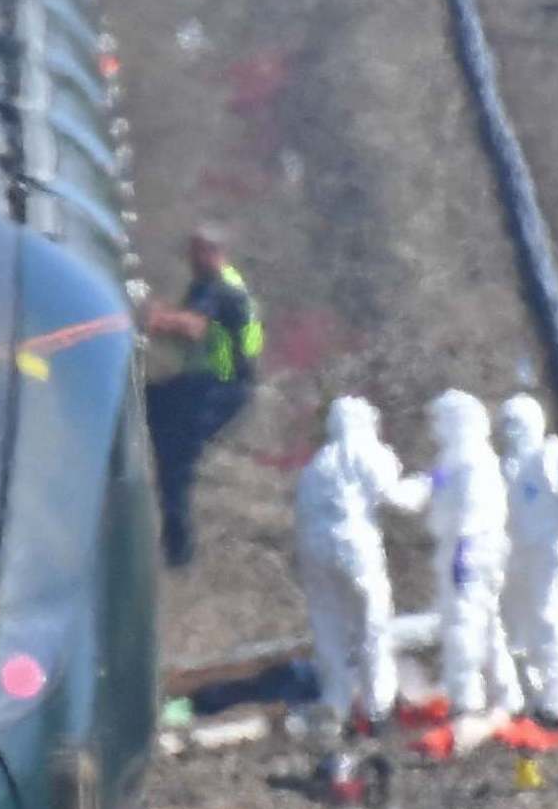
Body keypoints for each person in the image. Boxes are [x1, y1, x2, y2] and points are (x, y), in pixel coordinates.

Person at [140, 225, 264, 567]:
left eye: (197, 252)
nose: (190, 260)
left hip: (220, 389)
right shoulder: (210, 283)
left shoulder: (220, 286)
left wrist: (148, 315)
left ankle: (178, 554)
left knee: (176, 460)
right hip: (204, 384)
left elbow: (193, 327)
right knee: (147, 403)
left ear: (214, 252)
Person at [293, 397, 412, 733]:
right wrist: (430, 486)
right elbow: (395, 497)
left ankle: (336, 706)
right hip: (354, 548)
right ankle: (378, 710)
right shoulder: (365, 451)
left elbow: (302, 511)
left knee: (328, 629)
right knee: (372, 627)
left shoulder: (318, 463)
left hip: (313, 553)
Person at [411, 390, 521, 716]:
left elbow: (472, 507)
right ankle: (507, 694)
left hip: (472, 550)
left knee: (464, 623)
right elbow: (438, 487)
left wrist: (464, 549)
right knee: (488, 625)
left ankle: (466, 699)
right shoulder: (460, 458)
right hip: (471, 549)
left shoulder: (472, 459)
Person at [496, 394, 558, 727]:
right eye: (507, 426)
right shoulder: (502, 468)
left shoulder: (551, 456)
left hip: (550, 554)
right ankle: (525, 695)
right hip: (516, 556)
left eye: (517, 425)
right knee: (515, 628)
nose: (512, 433)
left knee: (551, 622)